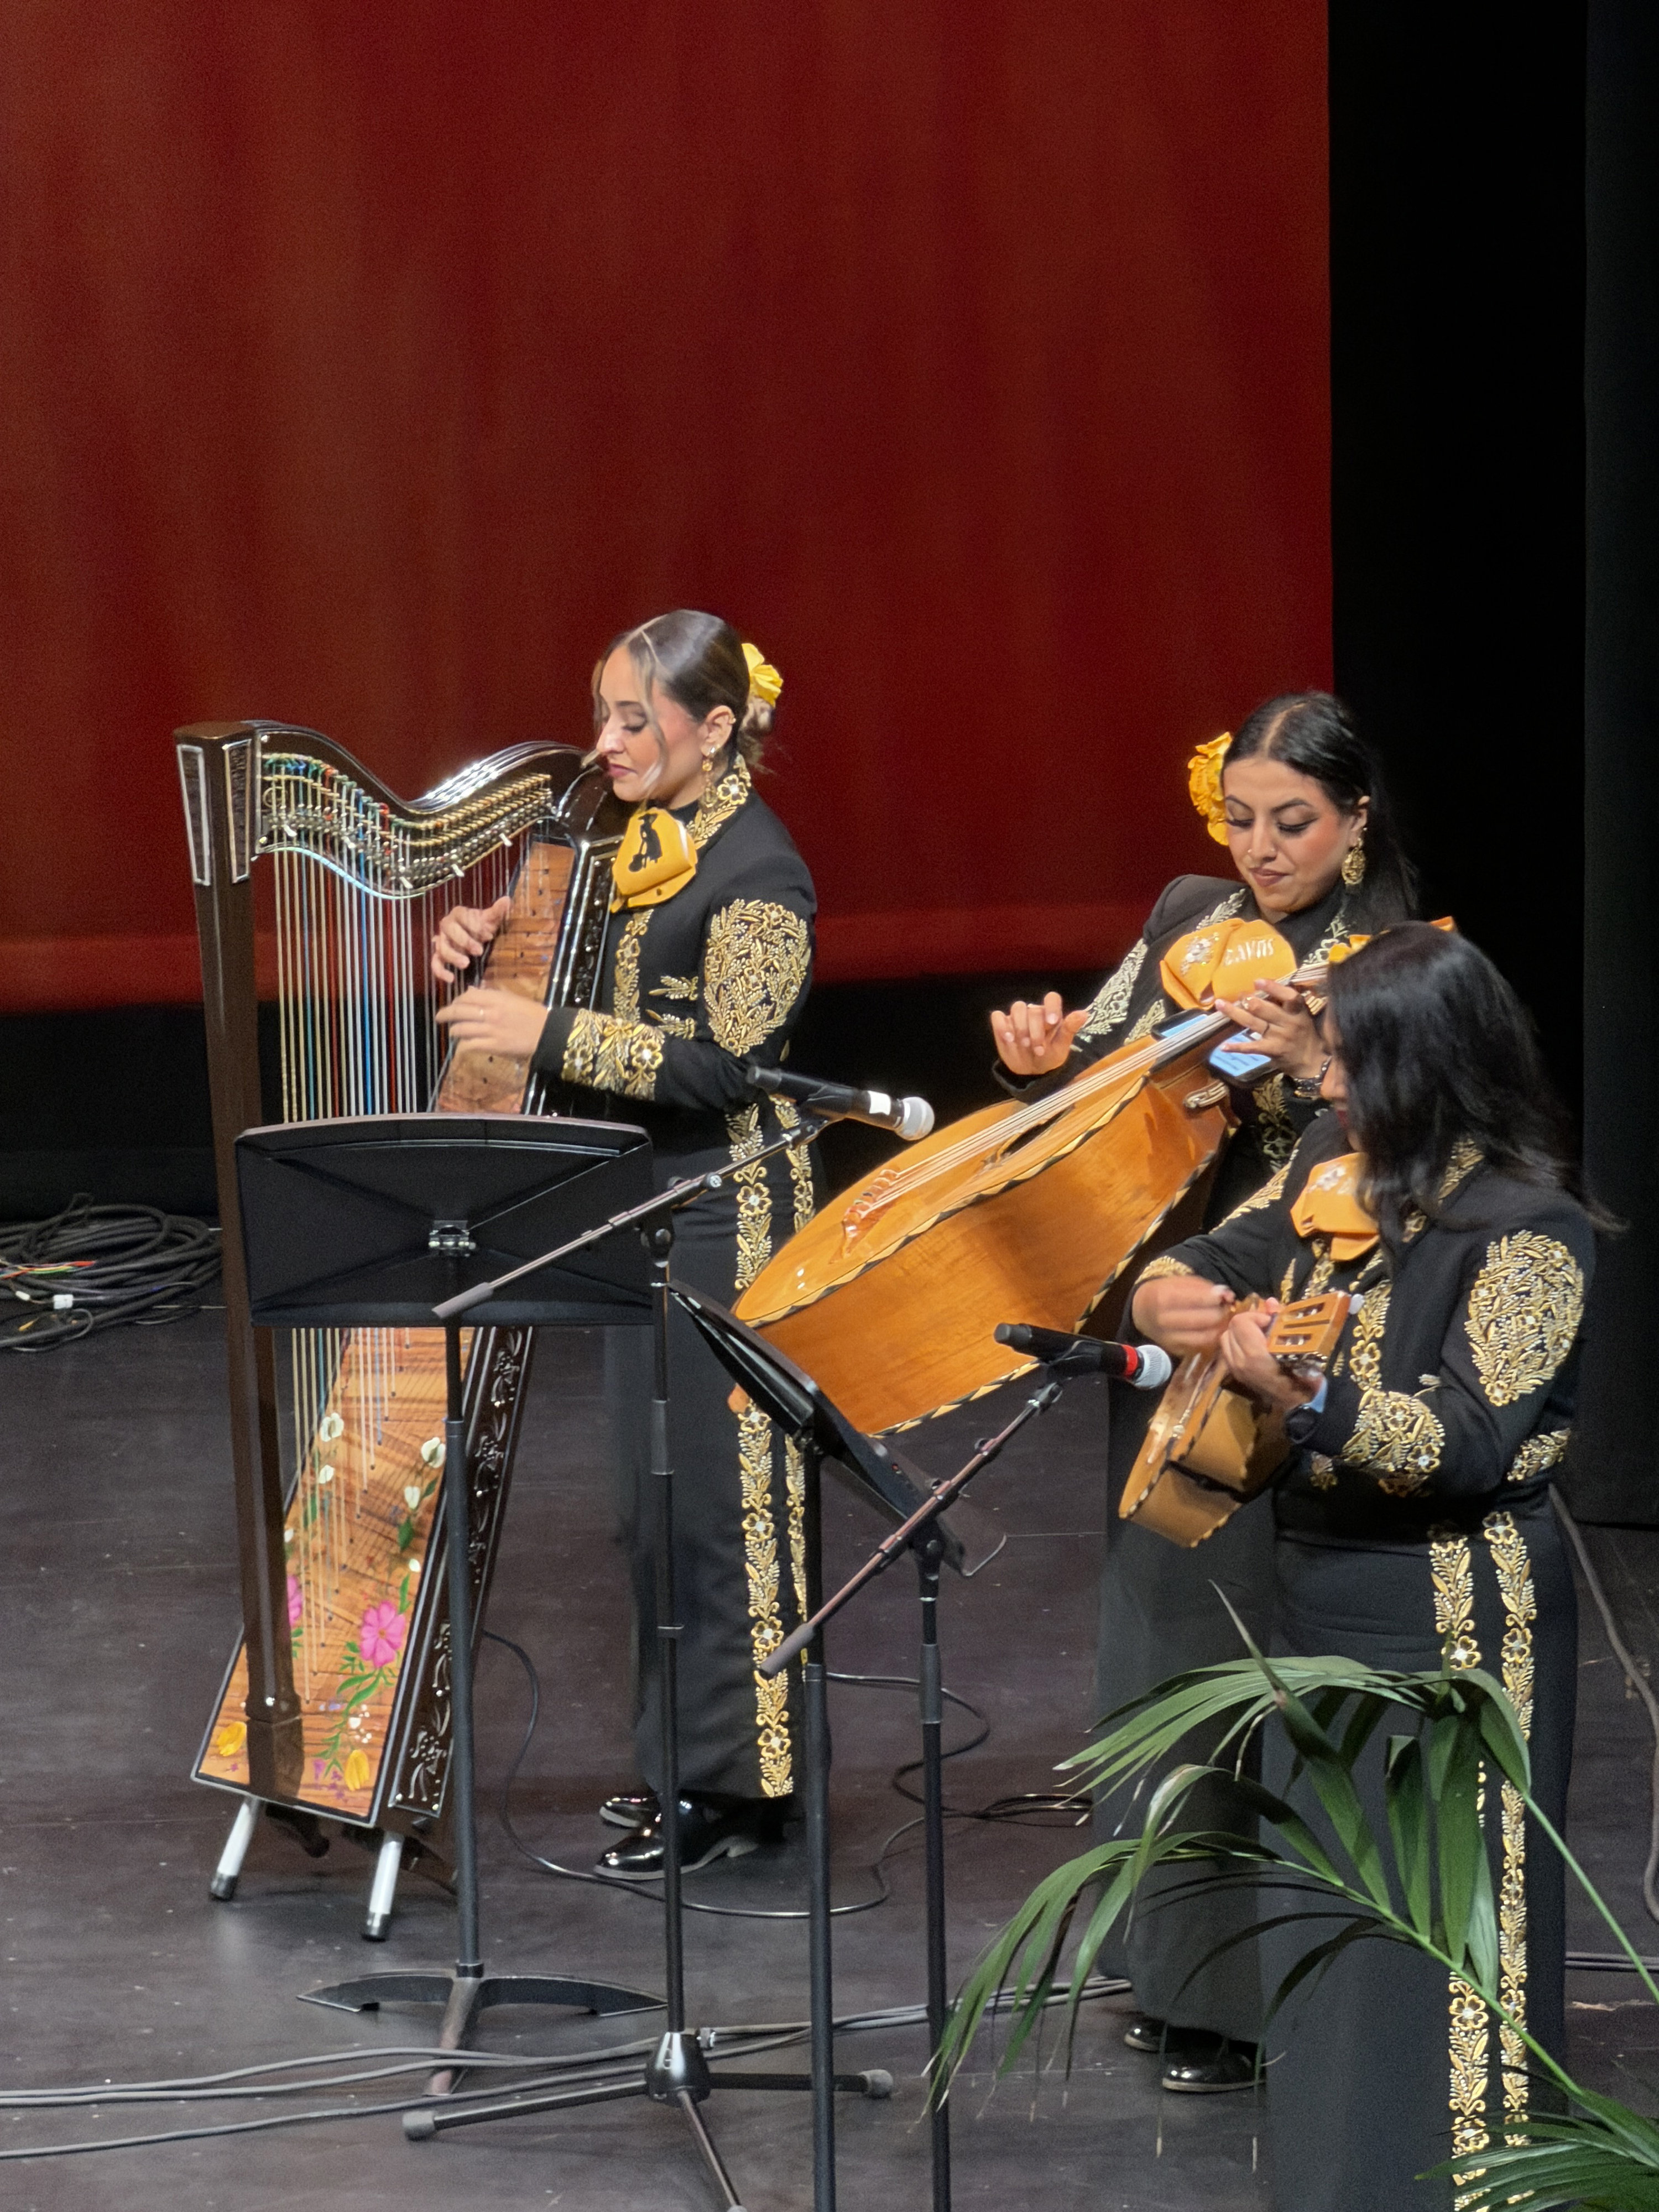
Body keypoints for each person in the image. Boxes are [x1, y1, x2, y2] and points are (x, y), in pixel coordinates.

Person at [990, 692, 1420, 2089]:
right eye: (1238, 818)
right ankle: (1168, 1965)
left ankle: (1252, 1994)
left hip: (1287, 1321)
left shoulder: (1401, 961)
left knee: (1244, 1641)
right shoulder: (1191, 908)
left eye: (1292, 823)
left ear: (1356, 822)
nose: (1258, 849)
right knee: (1157, 1633)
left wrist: (1311, 1069)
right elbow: (1119, 1067)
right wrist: (1046, 1072)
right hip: (1166, 1304)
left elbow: (1420, 1152)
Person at [1130, 923, 1594, 2211]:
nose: (1320, 1085)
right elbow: (1212, 1262)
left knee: (1441, 1945)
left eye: (1344, 1061)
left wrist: (1317, 1402)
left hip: (1455, 1617)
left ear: (1423, 1064)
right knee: (1333, 1935)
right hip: (1320, 1599)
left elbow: (1467, 1437)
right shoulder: (1334, 1170)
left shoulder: (1531, 1231)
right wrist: (1163, 1296)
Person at [431, 610, 819, 1875]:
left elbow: (724, 1064)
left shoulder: (760, 872)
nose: (603, 743)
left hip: (730, 1209)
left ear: (714, 729)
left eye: (632, 720)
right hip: (637, 1200)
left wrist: (540, 1033)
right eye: (604, 713)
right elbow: (573, 970)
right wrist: (486, 941)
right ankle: (678, 1765)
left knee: (727, 1505)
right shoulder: (624, 843)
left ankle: (747, 1783)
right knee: (650, 1504)